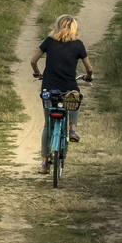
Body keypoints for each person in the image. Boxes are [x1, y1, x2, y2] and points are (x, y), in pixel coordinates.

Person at [31, 14, 92, 161]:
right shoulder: (78, 44)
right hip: (68, 87)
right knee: (76, 98)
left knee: (48, 126)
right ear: (74, 28)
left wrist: (37, 73)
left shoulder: (49, 41)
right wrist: (89, 77)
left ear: (57, 26)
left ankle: (44, 163)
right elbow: (89, 69)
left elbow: (33, 61)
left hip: (49, 88)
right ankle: (72, 129)